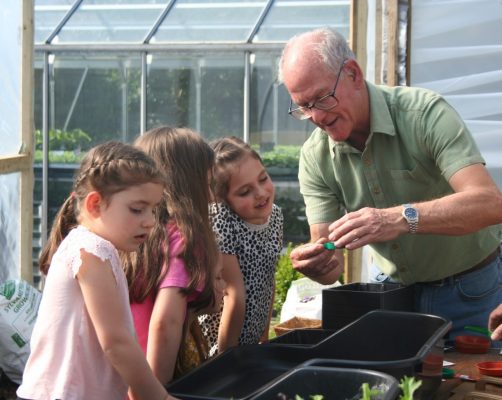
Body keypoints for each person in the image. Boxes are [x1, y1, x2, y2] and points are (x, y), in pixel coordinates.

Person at [278, 26, 502, 339]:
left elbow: (489, 204)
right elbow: (331, 261)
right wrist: (318, 263)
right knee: (393, 388)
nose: (316, 117)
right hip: (389, 293)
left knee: (470, 385)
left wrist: (398, 218)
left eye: (321, 98)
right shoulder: (316, 157)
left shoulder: (423, 114)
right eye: (303, 106)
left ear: (353, 74)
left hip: (468, 290)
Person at [16, 141, 178, 400]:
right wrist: (160, 397)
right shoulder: (90, 251)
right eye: (137, 209)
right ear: (95, 204)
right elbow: (116, 342)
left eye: (153, 210)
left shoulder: (97, 249)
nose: (149, 221)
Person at [125, 126, 225, 385]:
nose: (213, 193)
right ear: (190, 184)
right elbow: (166, 321)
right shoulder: (182, 237)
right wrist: (157, 390)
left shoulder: (137, 234)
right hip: (147, 380)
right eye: (208, 182)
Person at [199, 136, 284, 355]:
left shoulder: (275, 216)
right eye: (245, 192)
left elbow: (268, 278)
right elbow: (233, 295)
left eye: (263, 178)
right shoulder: (221, 222)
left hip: (251, 338)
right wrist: (228, 358)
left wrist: (263, 338)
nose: (261, 193)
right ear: (222, 199)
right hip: (219, 343)